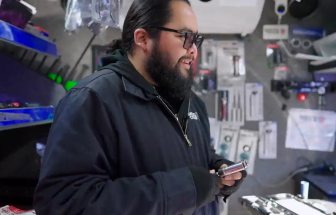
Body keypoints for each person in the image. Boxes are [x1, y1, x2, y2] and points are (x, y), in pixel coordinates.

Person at [33, 0, 247, 214]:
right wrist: (183, 189)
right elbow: (64, 203)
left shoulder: (192, 101)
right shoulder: (93, 100)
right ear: (143, 39)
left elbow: (197, 153)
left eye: (196, 40)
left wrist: (219, 168)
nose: (193, 51)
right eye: (185, 37)